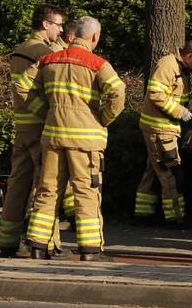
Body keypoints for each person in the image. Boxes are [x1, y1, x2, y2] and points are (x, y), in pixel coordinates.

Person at [17, 16, 126, 261]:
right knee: (86, 193)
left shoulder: (48, 59)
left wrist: (45, 112)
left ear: (73, 34)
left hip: (53, 136)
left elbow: (22, 87)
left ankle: (37, 246)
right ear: (94, 37)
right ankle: (90, 250)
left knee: (48, 191)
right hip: (85, 142)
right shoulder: (97, 63)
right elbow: (118, 91)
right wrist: (104, 118)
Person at [0, 4, 65, 258]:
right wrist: (46, 112)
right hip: (39, 128)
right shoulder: (42, 51)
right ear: (45, 25)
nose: (60, 30)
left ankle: (8, 241)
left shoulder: (20, 49)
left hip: (22, 126)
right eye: (57, 24)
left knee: (17, 184)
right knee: (46, 184)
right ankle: (48, 243)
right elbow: (28, 88)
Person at [135, 40, 192, 224]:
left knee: (154, 169)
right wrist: (180, 112)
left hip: (164, 128)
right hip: (159, 128)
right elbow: (156, 94)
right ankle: (175, 217)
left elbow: (181, 100)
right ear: (189, 56)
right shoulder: (168, 65)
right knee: (170, 172)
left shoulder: (182, 70)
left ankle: (143, 214)